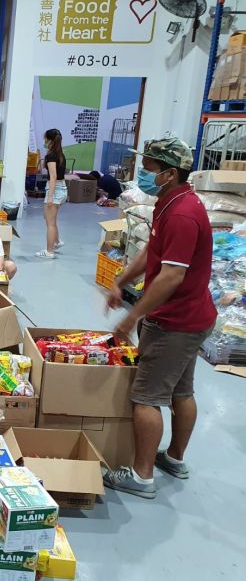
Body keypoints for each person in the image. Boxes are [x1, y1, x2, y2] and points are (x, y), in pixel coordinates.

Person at [103, 137, 216, 500]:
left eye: (150, 167)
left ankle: (141, 475)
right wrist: (121, 281)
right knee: (181, 390)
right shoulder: (169, 203)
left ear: (169, 173)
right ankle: (175, 458)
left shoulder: (183, 214)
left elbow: (171, 275)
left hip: (176, 322)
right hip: (191, 317)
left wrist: (132, 317)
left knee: (146, 397)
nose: (143, 172)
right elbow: (152, 251)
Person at [36, 128, 67, 259]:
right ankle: (57, 241)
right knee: (49, 218)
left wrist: (50, 196)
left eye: (45, 139)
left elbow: (53, 176)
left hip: (55, 190)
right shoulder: (60, 154)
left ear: (49, 140)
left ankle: (49, 251)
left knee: (50, 223)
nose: (44, 141)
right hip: (61, 188)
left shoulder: (51, 156)